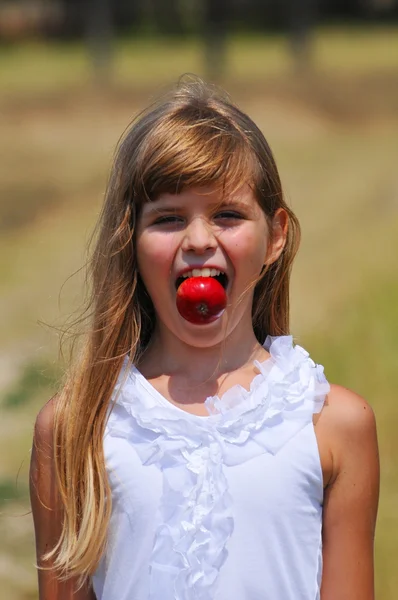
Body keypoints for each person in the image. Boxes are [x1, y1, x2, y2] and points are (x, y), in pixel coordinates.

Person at [30, 78, 380, 600]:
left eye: (228, 215)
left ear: (275, 236)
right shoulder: (74, 429)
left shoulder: (334, 425)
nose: (198, 240)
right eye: (168, 218)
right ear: (131, 240)